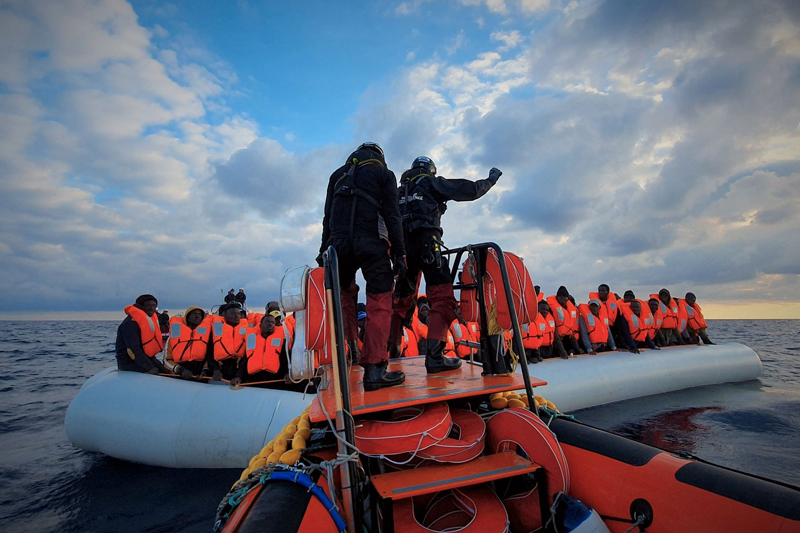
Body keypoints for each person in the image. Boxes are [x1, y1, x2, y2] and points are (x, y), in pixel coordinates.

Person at [390, 155, 502, 374]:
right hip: (427, 246)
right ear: (430, 170)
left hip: (402, 251)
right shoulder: (431, 182)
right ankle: (435, 357)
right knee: (442, 299)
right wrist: (490, 180)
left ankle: (390, 354)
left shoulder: (395, 193)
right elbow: (469, 190)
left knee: (400, 302)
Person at [318, 142, 407, 391]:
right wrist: (400, 253)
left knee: (345, 296)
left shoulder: (337, 175)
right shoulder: (384, 175)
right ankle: (375, 371)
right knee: (379, 303)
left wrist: (323, 250)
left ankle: (349, 353)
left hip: (338, 246)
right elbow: (392, 214)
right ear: (380, 157)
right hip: (372, 243)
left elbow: (327, 217)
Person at [116, 294, 167, 374]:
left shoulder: (146, 321)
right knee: (156, 371)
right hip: (128, 362)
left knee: (166, 371)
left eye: (154, 306)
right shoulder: (130, 324)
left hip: (146, 357)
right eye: (148, 305)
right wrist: (149, 367)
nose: (151, 308)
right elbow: (132, 350)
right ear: (141, 306)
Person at [233, 314, 288, 387]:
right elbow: (245, 359)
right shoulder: (252, 339)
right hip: (254, 379)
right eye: (267, 322)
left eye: (272, 322)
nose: (270, 324)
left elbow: (286, 360)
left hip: (274, 380)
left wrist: (287, 374)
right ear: (260, 325)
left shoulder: (281, 341)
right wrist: (239, 376)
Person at [167, 307, 212, 379]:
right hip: (180, 373)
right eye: (194, 314)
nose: (197, 316)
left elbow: (210, 356)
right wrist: (180, 370)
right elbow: (167, 360)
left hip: (200, 373)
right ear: (187, 316)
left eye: (200, 314)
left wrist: (205, 370)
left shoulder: (208, 336)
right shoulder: (174, 336)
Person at [208, 303, 248, 381]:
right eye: (233, 313)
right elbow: (210, 353)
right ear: (225, 316)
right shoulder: (216, 331)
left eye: (238, 313)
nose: (236, 316)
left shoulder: (247, 331)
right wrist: (215, 370)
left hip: (239, 370)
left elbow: (247, 355)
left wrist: (239, 375)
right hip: (220, 370)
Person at [546, 286, 584, 356]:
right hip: (556, 339)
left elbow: (571, 331)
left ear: (568, 298)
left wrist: (578, 349)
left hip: (568, 337)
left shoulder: (570, 309)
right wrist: (562, 350)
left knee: (575, 351)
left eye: (564, 296)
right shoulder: (551, 309)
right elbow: (555, 331)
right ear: (557, 297)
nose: (562, 298)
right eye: (560, 296)